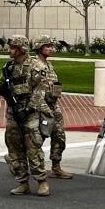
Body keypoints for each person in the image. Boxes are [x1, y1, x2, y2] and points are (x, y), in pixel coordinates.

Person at [2, 35, 49, 196]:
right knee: (14, 146)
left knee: (33, 146)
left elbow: (40, 90)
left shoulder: (36, 66)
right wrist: (5, 92)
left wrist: (28, 110)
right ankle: (22, 182)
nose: (10, 51)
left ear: (21, 49)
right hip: (13, 111)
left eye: (13, 48)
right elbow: (4, 85)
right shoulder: (9, 67)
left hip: (30, 111)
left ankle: (42, 181)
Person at [33, 35, 73, 179]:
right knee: (39, 137)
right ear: (39, 48)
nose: (50, 49)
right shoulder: (35, 65)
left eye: (51, 46)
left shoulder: (49, 65)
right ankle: (18, 158)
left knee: (59, 134)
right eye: (47, 46)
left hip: (53, 104)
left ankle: (56, 166)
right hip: (41, 105)